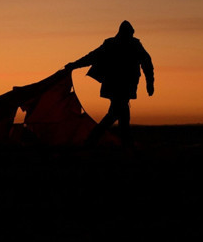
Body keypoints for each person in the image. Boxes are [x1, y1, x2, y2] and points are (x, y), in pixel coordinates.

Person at [65, 20, 154, 149]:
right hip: (116, 86)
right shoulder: (113, 45)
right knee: (117, 114)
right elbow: (92, 57)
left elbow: (147, 64)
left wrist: (150, 83)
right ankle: (95, 140)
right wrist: (74, 65)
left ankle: (114, 143)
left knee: (120, 114)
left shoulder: (133, 45)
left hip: (124, 86)